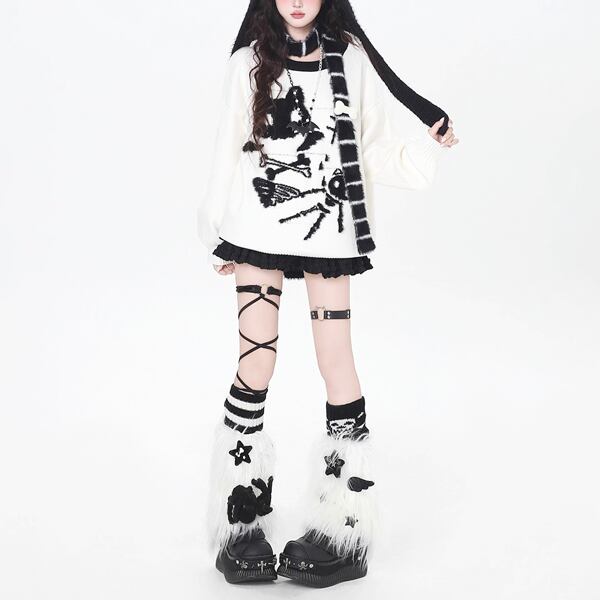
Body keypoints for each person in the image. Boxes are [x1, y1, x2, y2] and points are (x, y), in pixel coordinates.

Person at [197, 0, 459, 588]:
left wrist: (426, 146)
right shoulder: (248, 64)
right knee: (255, 361)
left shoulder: (351, 61)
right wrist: (216, 231)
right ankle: (241, 520)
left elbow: (372, 146)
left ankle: (343, 527)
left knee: (335, 360)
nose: (296, 1)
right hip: (256, 230)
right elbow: (227, 149)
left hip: (329, 231)